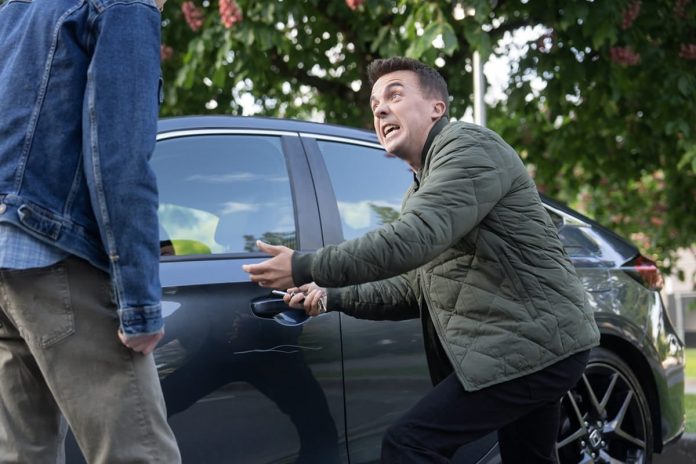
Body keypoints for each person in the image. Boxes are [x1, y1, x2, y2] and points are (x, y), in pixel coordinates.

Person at [243, 56, 600, 463]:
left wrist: (304, 264)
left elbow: (410, 240)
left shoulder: (469, 147)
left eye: (394, 95)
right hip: (534, 347)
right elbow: (414, 288)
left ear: (437, 107)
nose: (380, 109)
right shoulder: (419, 190)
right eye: (375, 103)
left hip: (533, 345)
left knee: (409, 444)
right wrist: (331, 297)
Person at [0, 0, 180, 462]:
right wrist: (140, 304)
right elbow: (120, 162)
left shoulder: (15, 11)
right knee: (140, 454)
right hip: (55, 256)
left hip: (7, 265)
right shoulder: (124, 6)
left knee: (23, 454)